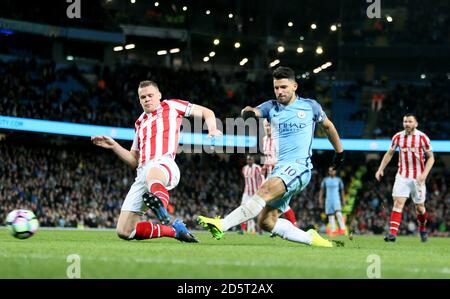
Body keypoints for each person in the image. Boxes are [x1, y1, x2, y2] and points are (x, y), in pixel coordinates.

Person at [198, 66, 345, 247]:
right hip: (280, 168)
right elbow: (252, 110)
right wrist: (248, 113)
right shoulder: (271, 107)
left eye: (283, 87)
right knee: (266, 222)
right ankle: (312, 239)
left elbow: (328, 126)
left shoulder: (310, 106)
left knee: (264, 191)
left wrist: (339, 152)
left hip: (299, 167)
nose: (279, 91)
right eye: (276, 88)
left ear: (294, 86)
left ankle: (222, 224)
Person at [92, 80, 222, 242]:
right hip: (142, 174)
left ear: (159, 96)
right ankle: (174, 231)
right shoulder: (139, 123)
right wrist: (114, 146)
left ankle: (160, 204)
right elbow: (134, 160)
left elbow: (206, 112)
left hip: (164, 164)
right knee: (124, 231)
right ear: (139, 100)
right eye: (143, 97)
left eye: (150, 95)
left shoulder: (171, 106)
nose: (147, 99)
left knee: (153, 172)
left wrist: (212, 128)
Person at [375, 113, 434, 242]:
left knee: (420, 208)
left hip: (418, 178)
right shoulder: (397, 137)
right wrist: (380, 169)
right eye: (405, 121)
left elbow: (431, 158)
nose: (407, 124)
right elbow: (389, 154)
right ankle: (393, 234)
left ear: (416, 124)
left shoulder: (423, 138)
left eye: (410, 121)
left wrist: (424, 175)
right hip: (402, 176)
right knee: (398, 202)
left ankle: (423, 229)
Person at [262, 119, 298, 228]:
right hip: (269, 174)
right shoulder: (264, 140)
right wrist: (264, 165)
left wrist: (270, 162)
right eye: (266, 126)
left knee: (276, 202)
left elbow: (283, 158)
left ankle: (292, 225)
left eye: (269, 126)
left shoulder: (279, 140)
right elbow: (267, 157)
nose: (268, 128)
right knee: (272, 202)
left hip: (279, 174)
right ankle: (282, 225)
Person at [240, 155, 264, 234]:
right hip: (247, 193)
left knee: (258, 211)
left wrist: (261, 190)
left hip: (256, 193)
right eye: (248, 160)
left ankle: (259, 229)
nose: (249, 161)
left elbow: (262, 179)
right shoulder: (244, 168)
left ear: (253, 160)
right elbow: (246, 181)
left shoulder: (257, 168)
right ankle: (242, 229)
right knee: (242, 209)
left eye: (250, 159)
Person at [319, 167, 346, 236]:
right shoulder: (325, 180)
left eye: (333, 171)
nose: (331, 172)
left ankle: (342, 229)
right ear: (329, 172)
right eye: (330, 171)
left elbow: (342, 190)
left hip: (336, 199)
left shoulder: (338, 180)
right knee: (330, 216)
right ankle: (333, 230)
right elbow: (322, 190)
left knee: (338, 213)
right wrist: (320, 199)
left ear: (335, 172)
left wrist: (343, 199)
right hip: (328, 200)